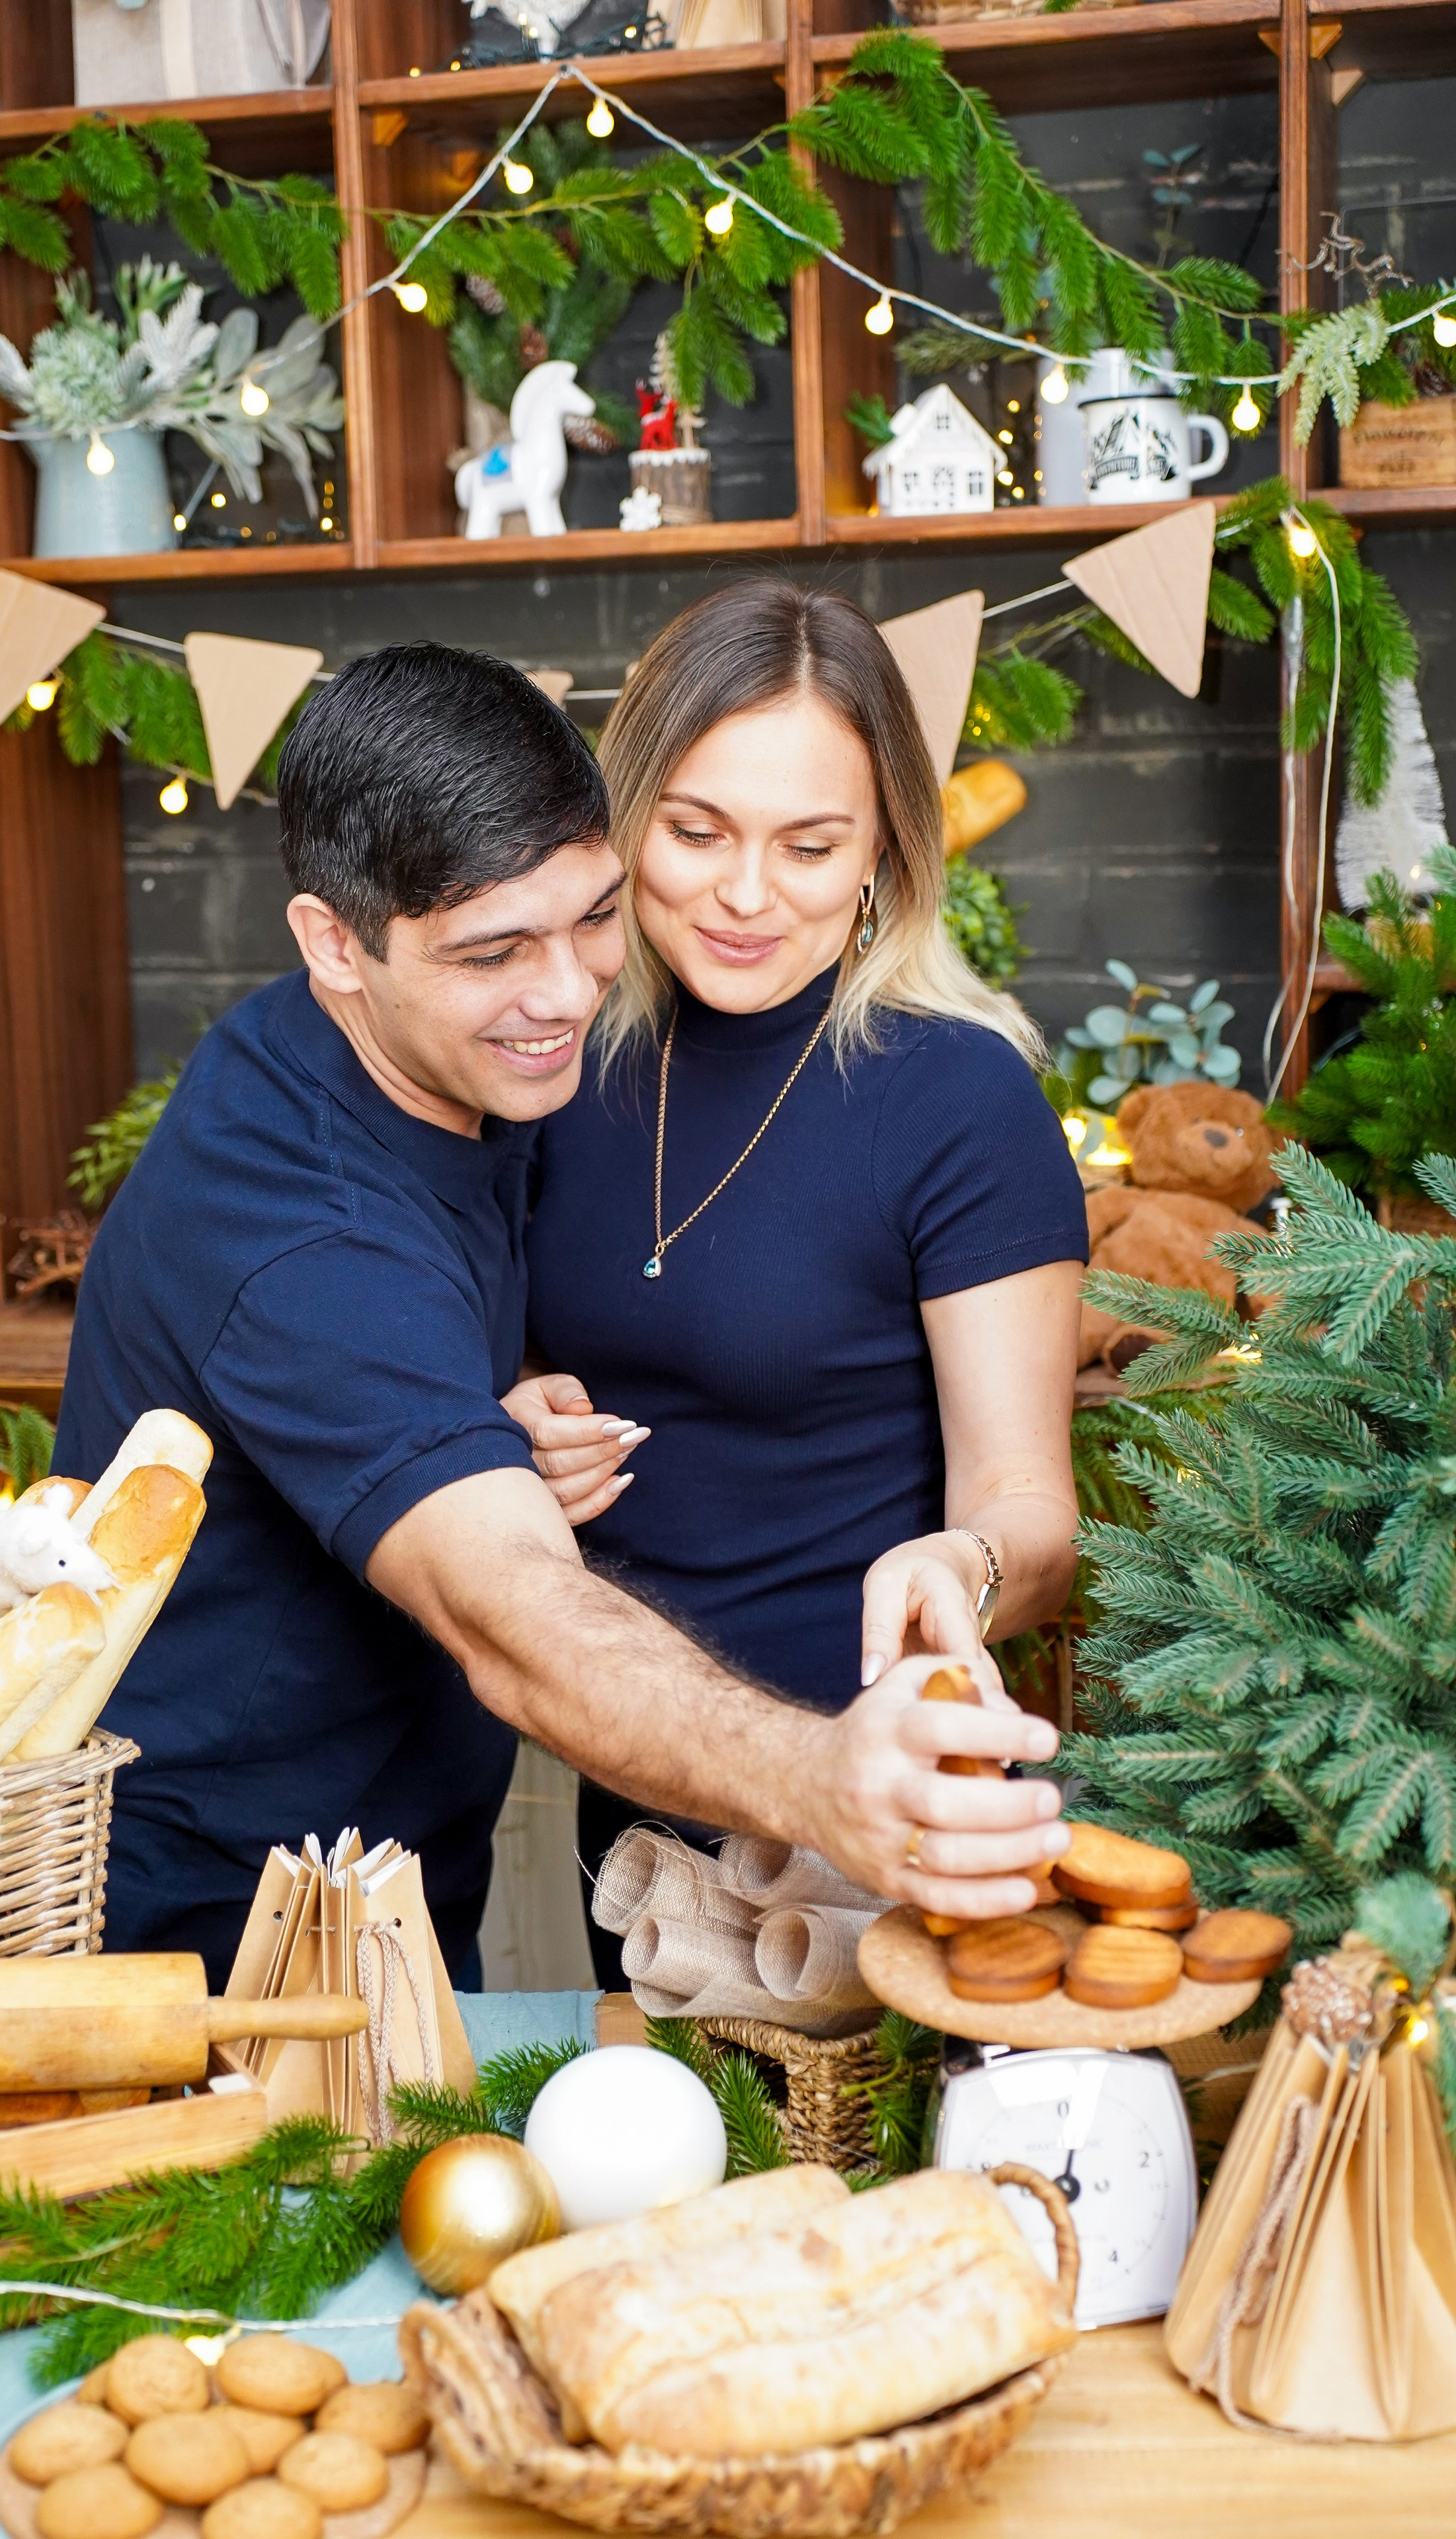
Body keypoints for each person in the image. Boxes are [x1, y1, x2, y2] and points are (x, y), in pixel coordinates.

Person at [53, 640, 1070, 1991]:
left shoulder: (481, 1073)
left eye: (589, 919)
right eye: (492, 952)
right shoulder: (301, 1224)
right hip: (213, 1918)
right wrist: (821, 1775)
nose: (565, 995)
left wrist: (491, 1400)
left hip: (398, 1876)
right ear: (333, 946)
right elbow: (510, 1615)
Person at [515, 583, 1089, 1984]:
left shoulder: (956, 1096)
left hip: (873, 1823)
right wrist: (506, 1424)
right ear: (621, 814)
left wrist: (965, 1562)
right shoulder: (553, 1063)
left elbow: (1035, 1514)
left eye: (808, 844)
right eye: (696, 831)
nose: (746, 893)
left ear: (884, 847)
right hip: (635, 1800)